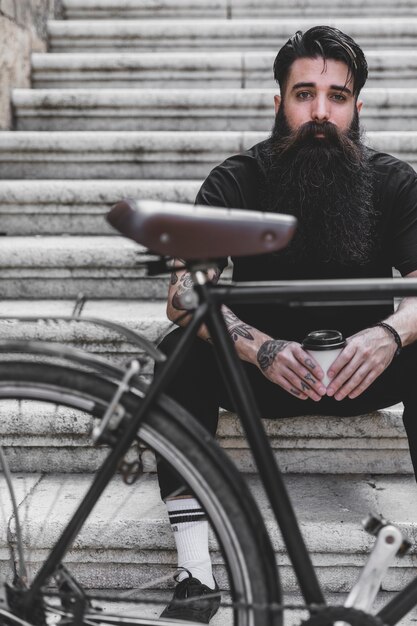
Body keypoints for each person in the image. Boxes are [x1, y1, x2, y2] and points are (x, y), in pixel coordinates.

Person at [157, 25, 417, 623]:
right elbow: (182, 291)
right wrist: (259, 349)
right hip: (261, 380)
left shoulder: (393, 181)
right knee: (177, 350)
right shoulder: (236, 179)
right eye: (304, 95)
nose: (320, 113)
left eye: (337, 97)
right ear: (279, 103)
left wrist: (390, 334)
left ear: (356, 106)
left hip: (364, 373)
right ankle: (194, 573)